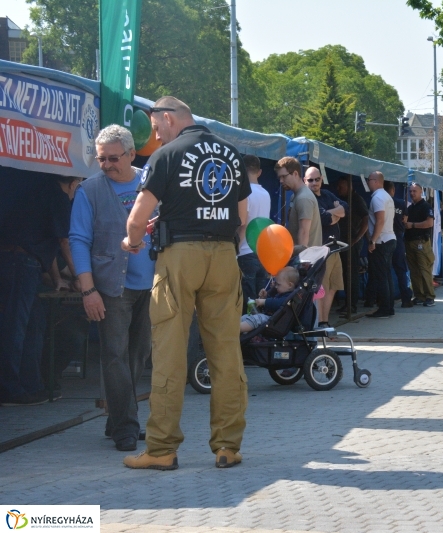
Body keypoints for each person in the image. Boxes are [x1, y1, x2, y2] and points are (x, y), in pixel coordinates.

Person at [121, 96, 250, 471]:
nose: (156, 135)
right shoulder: (231, 153)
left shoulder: (165, 155)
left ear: (167, 117)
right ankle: (228, 447)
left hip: (179, 258)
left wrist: (133, 241)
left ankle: (161, 448)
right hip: (224, 256)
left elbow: (135, 219)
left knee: (170, 352)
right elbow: (241, 218)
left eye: (157, 127)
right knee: (226, 352)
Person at [69, 125, 156, 451]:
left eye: (113, 158)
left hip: (150, 286)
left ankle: (118, 418)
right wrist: (88, 291)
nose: (105, 164)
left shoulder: (151, 183)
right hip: (110, 288)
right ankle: (126, 428)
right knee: (114, 358)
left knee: (137, 356)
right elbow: (79, 240)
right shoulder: (89, 190)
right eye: (101, 158)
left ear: (132, 154)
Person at [0, 173, 79, 406]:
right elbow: (64, 242)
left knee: (32, 325)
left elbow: (48, 246)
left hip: (24, 262)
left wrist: (57, 279)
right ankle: (10, 389)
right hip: (20, 264)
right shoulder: (59, 196)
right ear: (74, 183)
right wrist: (80, 277)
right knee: (16, 328)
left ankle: (30, 385)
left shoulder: (39, 192)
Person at [304, 167, 346, 328]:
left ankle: (324, 321)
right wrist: (336, 213)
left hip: (334, 249)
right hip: (320, 250)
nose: (314, 183)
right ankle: (321, 322)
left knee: (333, 286)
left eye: (317, 179)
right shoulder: (308, 198)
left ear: (322, 179)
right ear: (304, 180)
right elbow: (325, 219)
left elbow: (345, 208)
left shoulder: (327, 194)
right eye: (310, 180)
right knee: (322, 288)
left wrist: (333, 213)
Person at [237, 155, 271, 309]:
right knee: (260, 299)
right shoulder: (266, 194)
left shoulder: (245, 193)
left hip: (244, 252)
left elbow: (243, 224)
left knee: (247, 302)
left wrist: (235, 250)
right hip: (262, 253)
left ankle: (247, 331)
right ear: (260, 172)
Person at [365, 171, 396, 318]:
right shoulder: (387, 197)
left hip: (381, 241)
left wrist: (372, 241)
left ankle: (384, 308)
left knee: (381, 276)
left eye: (369, 180)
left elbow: (380, 220)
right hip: (390, 238)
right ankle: (389, 307)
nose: (368, 182)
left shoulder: (377, 198)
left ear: (376, 181)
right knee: (387, 275)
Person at [335, 177, 368, 316]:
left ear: (348, 186)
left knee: (351, 273)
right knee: (344, 273)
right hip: (342, 241)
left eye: (341, 187)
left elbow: (366, 219)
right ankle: (347, 303)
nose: (338, 190)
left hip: (351, 241)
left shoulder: (357, 199)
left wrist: (358, 237)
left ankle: (351, 304)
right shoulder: (343, 199)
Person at [277, 157, 322, 249]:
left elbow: (304, 233)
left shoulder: (303, 198)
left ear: (295, 174)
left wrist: (300, 262)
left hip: (307, 259)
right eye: (279, 177)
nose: (281, 181)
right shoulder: (296, 196)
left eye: (284, 176)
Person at [404, 183, 436, 306]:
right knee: (414, 271)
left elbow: (429, 223)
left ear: (421, 191)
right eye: (410, 191)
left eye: (414, 191)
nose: (412, 193)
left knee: (424, 269)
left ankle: (430, 296)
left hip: (421, 242)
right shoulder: (410, 208)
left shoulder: (426, 206)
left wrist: (412, 225)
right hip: (409, 242)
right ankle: (419, 295)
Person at [240, 266, 299, 332]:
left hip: (276, 322)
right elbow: (273, 303)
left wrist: (265, 301)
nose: (276, 287)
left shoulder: (290, 297)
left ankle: (235, 330)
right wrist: (265, 297)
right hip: (270, 318)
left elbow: (279, 303)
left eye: (278, 284)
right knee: (246, 317)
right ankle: (232, 325)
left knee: (257, 319)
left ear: (290, 285)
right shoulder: (281, 294)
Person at [384, 181, 413, 307]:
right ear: (393, 190)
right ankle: (406, 299)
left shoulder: (381, 202)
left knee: (384, 271)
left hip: (385, 239)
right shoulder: (401, 203)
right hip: (398, 238)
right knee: (401, 270)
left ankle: (382, 300)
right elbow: (405, 220)